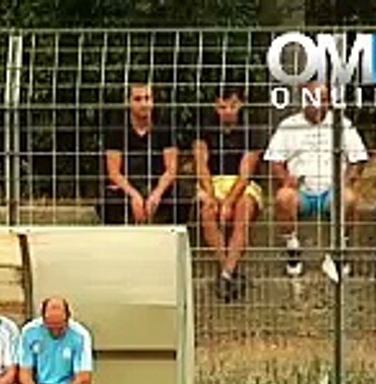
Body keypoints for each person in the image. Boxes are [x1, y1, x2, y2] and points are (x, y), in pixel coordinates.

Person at [264, 82, 368, 281]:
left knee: (349, 197)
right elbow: (274, 161)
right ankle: (293, 250)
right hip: (301, 191)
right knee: (283, 196)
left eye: (322, 99)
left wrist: (346, 181)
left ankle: (341, 251)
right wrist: (286, 180)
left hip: (333, 189)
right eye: (311, 99)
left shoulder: (342, 124)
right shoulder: (288, 125)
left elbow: (358, 160)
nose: (317, 104)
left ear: (329, 102)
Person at [194, 86, 265, 301]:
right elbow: (201, 166)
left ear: (240, 105)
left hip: (241, 184)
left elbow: (245, 174)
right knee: (207, 209)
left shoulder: (251, 132)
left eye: (232, 106)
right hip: (213, 183)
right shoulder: (204, 131)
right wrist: (212, 195)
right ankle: (228, 269)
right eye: (222, 106)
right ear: (216, 106)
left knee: (243, 207)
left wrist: (228, 202)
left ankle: (225, 274)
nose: (227, 111)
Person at [100, 83, 181, 225]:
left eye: (147, 98)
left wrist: (157, 194)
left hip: (157, 185)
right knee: (108, 199)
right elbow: (114, 173)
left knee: (181, 195)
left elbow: (171, 170)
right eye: (138, 99)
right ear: (128, 102)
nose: (144, 104)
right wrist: (134, 195)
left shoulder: (164, 127)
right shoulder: (117, 129)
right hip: (128, 187)